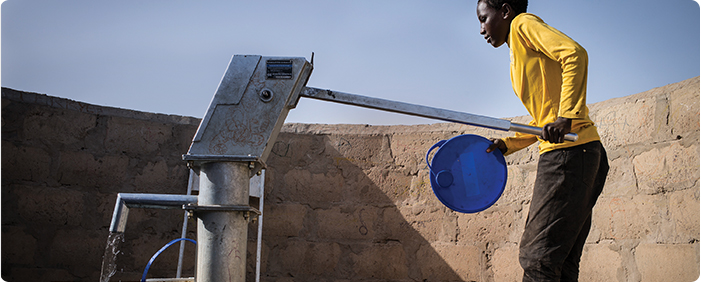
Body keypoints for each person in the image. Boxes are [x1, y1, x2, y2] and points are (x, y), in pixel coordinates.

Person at [476, 0, 609, 281]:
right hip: (584, 154)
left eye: (484, 18)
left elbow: (575, 54)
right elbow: (543, 118)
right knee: (561, 260)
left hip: (567, 156)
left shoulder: (523, 25)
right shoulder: (518, 51)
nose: (481, 29)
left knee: (537, 258)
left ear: (506, 11)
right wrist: (507, 145)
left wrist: (568, 115)